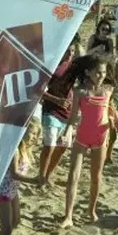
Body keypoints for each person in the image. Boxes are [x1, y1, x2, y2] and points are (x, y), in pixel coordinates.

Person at [59, 54, 112, 228]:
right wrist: (67, 131)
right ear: (88, 72)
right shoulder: (80, 91)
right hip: (82, 137)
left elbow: (109, 113)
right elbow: (73, 117)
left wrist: (114, 123)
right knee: (73, 176)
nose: (101, 76)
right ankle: (68, 216)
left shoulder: (107, 91)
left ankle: (91, 210)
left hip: (101, 137)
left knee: (96, 177)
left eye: (103, 73)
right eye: (97, 73)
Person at [0, 118, 41, 235]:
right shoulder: (15, 149)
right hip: (3, 191)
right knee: (6, 227)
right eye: (32, 133)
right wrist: (33, 180)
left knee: (16, 221)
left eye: (36, 134)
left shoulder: (25, 150)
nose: (35, 137)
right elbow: (14, 174)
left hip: (12, 190)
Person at [39, 42, 82, 185]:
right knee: (49, 146)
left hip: (68, 112)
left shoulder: (75, 68)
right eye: (67, 50)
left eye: (72, 51)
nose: (69, 54)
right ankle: (41, 176)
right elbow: (39, 90)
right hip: (51, 109)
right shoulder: (52, 66)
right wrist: (56, 99)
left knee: (62, 147)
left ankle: (48, 175)